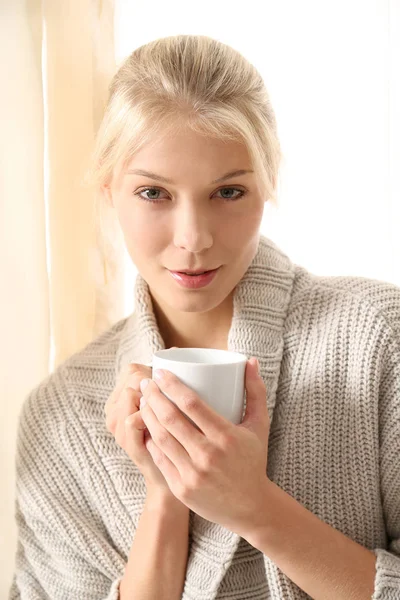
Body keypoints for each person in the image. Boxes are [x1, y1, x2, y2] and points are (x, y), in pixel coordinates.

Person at [9, 34, 400, 600]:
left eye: (228, 191)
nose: (193, 239)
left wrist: (257, 510)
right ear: (107, 190)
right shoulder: (58, 418)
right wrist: (165, 495)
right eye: (153, 193)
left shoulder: (379, 340)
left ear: (267, 185)